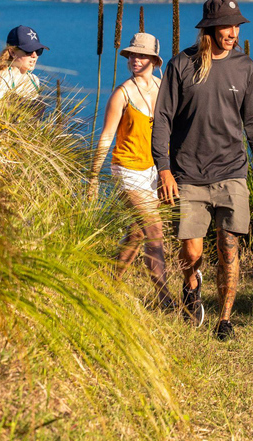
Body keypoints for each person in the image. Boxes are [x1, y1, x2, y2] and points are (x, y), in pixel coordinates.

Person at [152, 0, 253, 340]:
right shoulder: (181, 65)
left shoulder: (244, 67)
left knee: (228, 246)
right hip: (188, 173)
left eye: (236, 26)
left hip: (231, 172)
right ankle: (191, 290)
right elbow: (162, 118)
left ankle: (224, 321)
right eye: (227, 25)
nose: (233, 32)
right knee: (192, 252)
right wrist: (163, 168)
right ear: (209, 27)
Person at [89, 33, 175, 308]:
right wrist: (92, 177)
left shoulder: (164, 89)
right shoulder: (122, 93)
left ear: (153, 59)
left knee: (137, 233)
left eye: (141, 55)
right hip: (126, 169)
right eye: (132, 55)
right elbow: (106, 137)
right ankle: (165, 298)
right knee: (154, 230)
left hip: (154, 170)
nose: (135, 60)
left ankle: (108, 287)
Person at [0, 25, 48, 105]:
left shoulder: (34, 80)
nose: (34, 56)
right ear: (12, 52)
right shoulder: (2, 79)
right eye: (28, 51)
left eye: (38, 51)